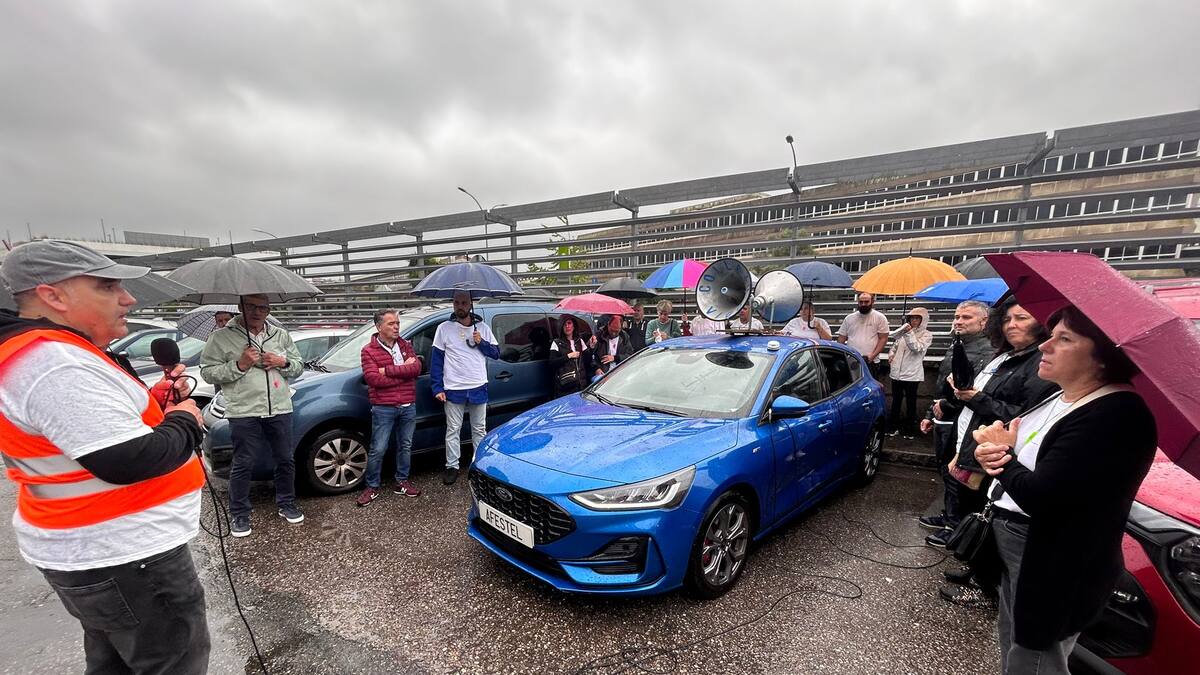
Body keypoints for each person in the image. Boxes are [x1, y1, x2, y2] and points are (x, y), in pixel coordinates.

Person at [0, 240, 209, 673]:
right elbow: (127, 459)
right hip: (127, 555)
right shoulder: (56, 363)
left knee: (115, 663)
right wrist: (185, 420)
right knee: (172, 662)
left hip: (98, 550)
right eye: (107, 286)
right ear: (52, 295)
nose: (127, 298)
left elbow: (99, 432)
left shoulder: (49, 353)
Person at [974, 305, 1156, 675]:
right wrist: (991, 447)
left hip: (1052, 558)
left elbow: (1046, 497)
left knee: (1036, 656)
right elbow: (1017, 441)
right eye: (1051, 334)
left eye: (1064, 339)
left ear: (1103, 357)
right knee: (1014, 639)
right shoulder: (1061, 395)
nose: (1045, 345)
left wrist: (1003, 459)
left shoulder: (1114, 415)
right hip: (1018, 545)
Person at [926, 298, 1058, 552]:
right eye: (1007, 319)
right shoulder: (1004, 356)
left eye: (1021, 318)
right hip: (968, 437)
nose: (1012, 325)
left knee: (979, 502)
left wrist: (976, 398)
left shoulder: (1038, 363)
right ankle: (960, 536)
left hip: (993, 448)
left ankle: (968, 547)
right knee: (958, 488)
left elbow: (1025, 415)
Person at [200, 293, 305, 537]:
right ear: (240, 307)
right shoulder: (221, 337)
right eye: (251, 306)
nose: (258, 312)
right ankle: (239, 513)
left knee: (285, 460)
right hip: (244, 410)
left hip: (279, 407)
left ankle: (286, 503)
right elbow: (207, 373)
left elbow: (298, 366)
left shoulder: (280, 334)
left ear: (269, 310)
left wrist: (283, 361)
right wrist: (240, 365)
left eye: (263, 308)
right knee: (243, 462)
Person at [918, 301, 993, 535]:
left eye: (966, 317)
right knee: (945, 469)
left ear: (984, 322)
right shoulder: (957, 345)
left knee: (958, 473)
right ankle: (949, 516)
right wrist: (932, 412)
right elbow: (943, 385)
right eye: (957, 317)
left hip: (962, 421)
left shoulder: (988, 352)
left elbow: (976, 392)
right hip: (943, 418)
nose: (958, 321)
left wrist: (946, 405)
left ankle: (956, 526)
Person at [431, 290, 500, 485]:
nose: (460, 306)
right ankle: (452, 466)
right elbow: (436, 360)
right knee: (453, 429)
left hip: (478, 385)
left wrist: (481, 342)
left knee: (479, 429)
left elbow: (496, 353)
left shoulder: (483, 328)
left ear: (471, 304)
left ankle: (478, 463)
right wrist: (437, 387)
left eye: (463, 302)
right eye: (456, 302)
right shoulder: (443, 328)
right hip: (453, 388)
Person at [356, 309, 422, 507]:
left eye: (397, 323)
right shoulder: (369, 350)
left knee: (406, 445)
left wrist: (389, 371)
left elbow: (416, 369)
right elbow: (373, 379)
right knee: (378, 448)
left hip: (408, 405)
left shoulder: (405, 345)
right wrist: (404, 373)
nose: (396, 327)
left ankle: (402, 481)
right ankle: (372, 486)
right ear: (379, 327)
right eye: (391, 323)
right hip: (384, 407)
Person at [886, 307, 932, 439]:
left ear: (923, 320)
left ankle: (909, 429)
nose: (914, 320)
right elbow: (895, 345)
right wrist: (891, 353)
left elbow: (917, 348)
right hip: (896, 373)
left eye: (917, 318)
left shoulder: (927, 334)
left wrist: (909, 333)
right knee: (896, 401)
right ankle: (893, 427)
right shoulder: (904, 331)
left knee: (911, 403)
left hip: (912, 374)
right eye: (912, 318)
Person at [837, 292, 889, 378]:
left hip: (870, 361)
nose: (863, 304)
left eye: (866, 302)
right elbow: (841, 339)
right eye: (861, 302)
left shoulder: (880, 317)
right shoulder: (849, 318)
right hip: (851, 360)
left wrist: (872, 356)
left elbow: (883, 338)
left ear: (872, 302)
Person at [549, 315, 590, 396]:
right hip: (566, 385)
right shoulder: (557, 343)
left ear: (574, 326)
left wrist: (591, 347)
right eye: (564, 324)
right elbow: (552, 363)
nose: (567, 326)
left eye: (569, 323)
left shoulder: (579, 341)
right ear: (561, 327)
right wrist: (569, 356)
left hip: (581, 384)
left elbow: (587, 360)